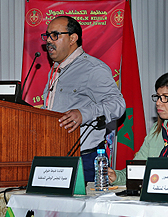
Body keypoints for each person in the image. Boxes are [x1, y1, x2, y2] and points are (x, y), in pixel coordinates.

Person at [41, 16, 126, 183]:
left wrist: (83, 114)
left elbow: (118, 105)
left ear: (73, 38)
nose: (49, 41)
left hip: (85, 159)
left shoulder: (92, 69)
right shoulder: (56, 71)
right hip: (56, 156)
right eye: (47, 36)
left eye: (55, 35)